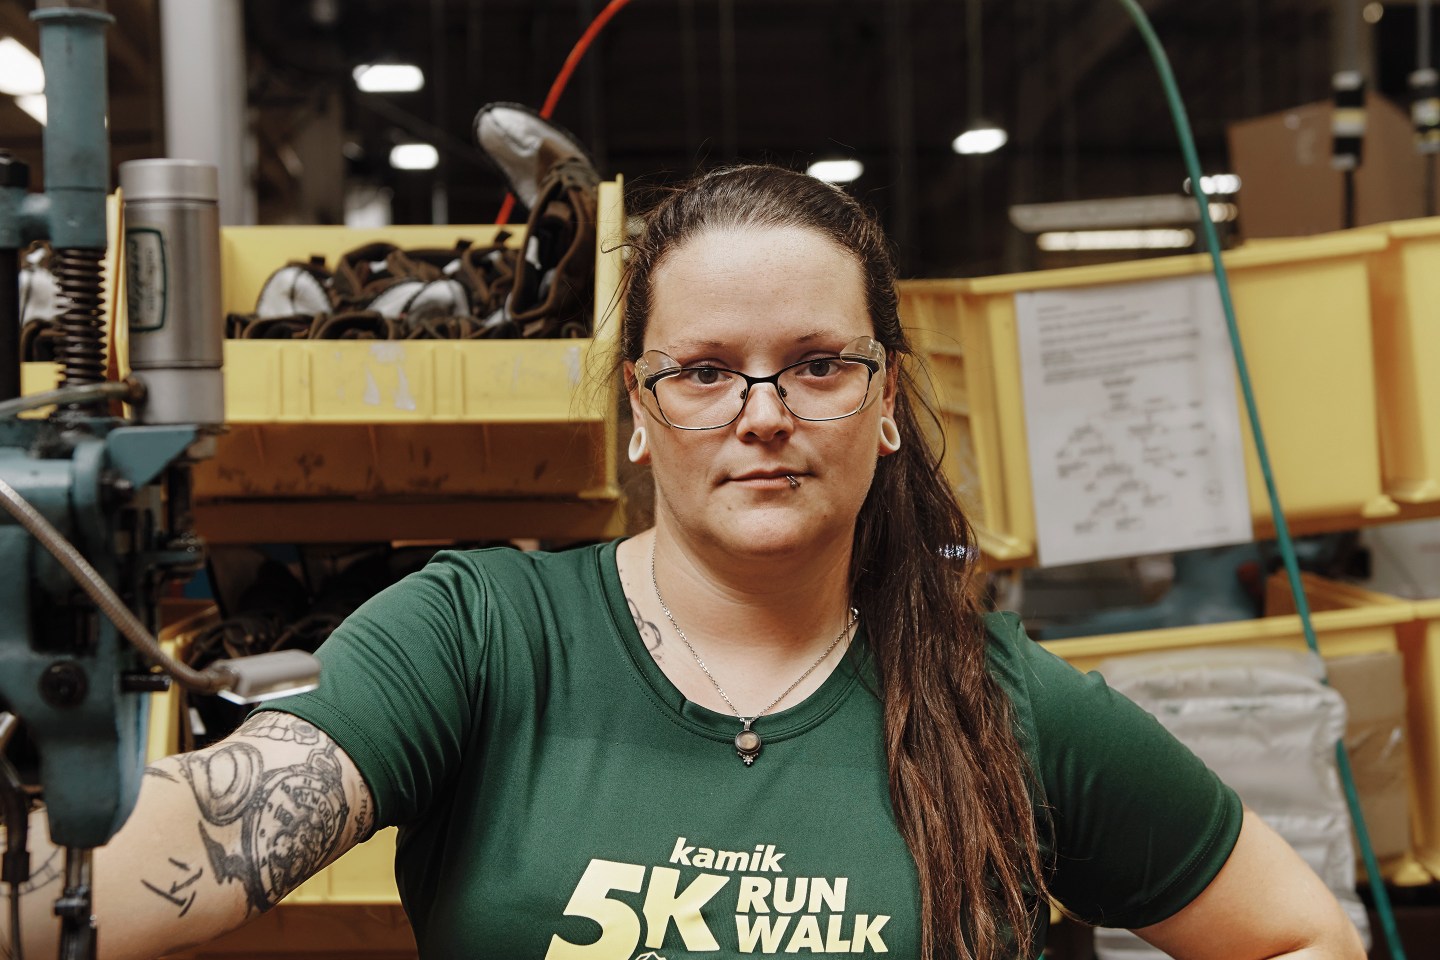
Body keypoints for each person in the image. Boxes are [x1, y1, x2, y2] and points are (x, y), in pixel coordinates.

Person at [3, 165, 1364, 960]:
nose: (763, 413)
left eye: (818, 365)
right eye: (705, 370)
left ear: (886, 404)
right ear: (638, 415)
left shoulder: (992, 703)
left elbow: (1305, 933)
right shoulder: (487, 633)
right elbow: (199, 825)